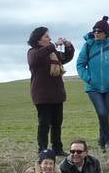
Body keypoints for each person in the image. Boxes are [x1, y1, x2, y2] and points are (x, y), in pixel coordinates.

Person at [76, 16, 109, 152]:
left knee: (103, 114)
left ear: (106, 33)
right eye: (94, 31)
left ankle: (101, 142)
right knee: (102, 113)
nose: (96, 33)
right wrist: (88, 79)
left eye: (99, 31)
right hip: (93, 87)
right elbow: (80, 64)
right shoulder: (88, 46)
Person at [27, 26, 75, 155]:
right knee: (44, 124)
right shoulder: (33, 52)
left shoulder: (53, 53)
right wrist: (54, 45)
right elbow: (37, 58)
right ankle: (42, 149)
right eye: (46, 36)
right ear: (38, 39)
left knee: (57, 123)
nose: (49, 38)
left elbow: (65, 58)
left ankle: (57, 148)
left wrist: (69, 47)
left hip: (57, 94)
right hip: (42, 95)